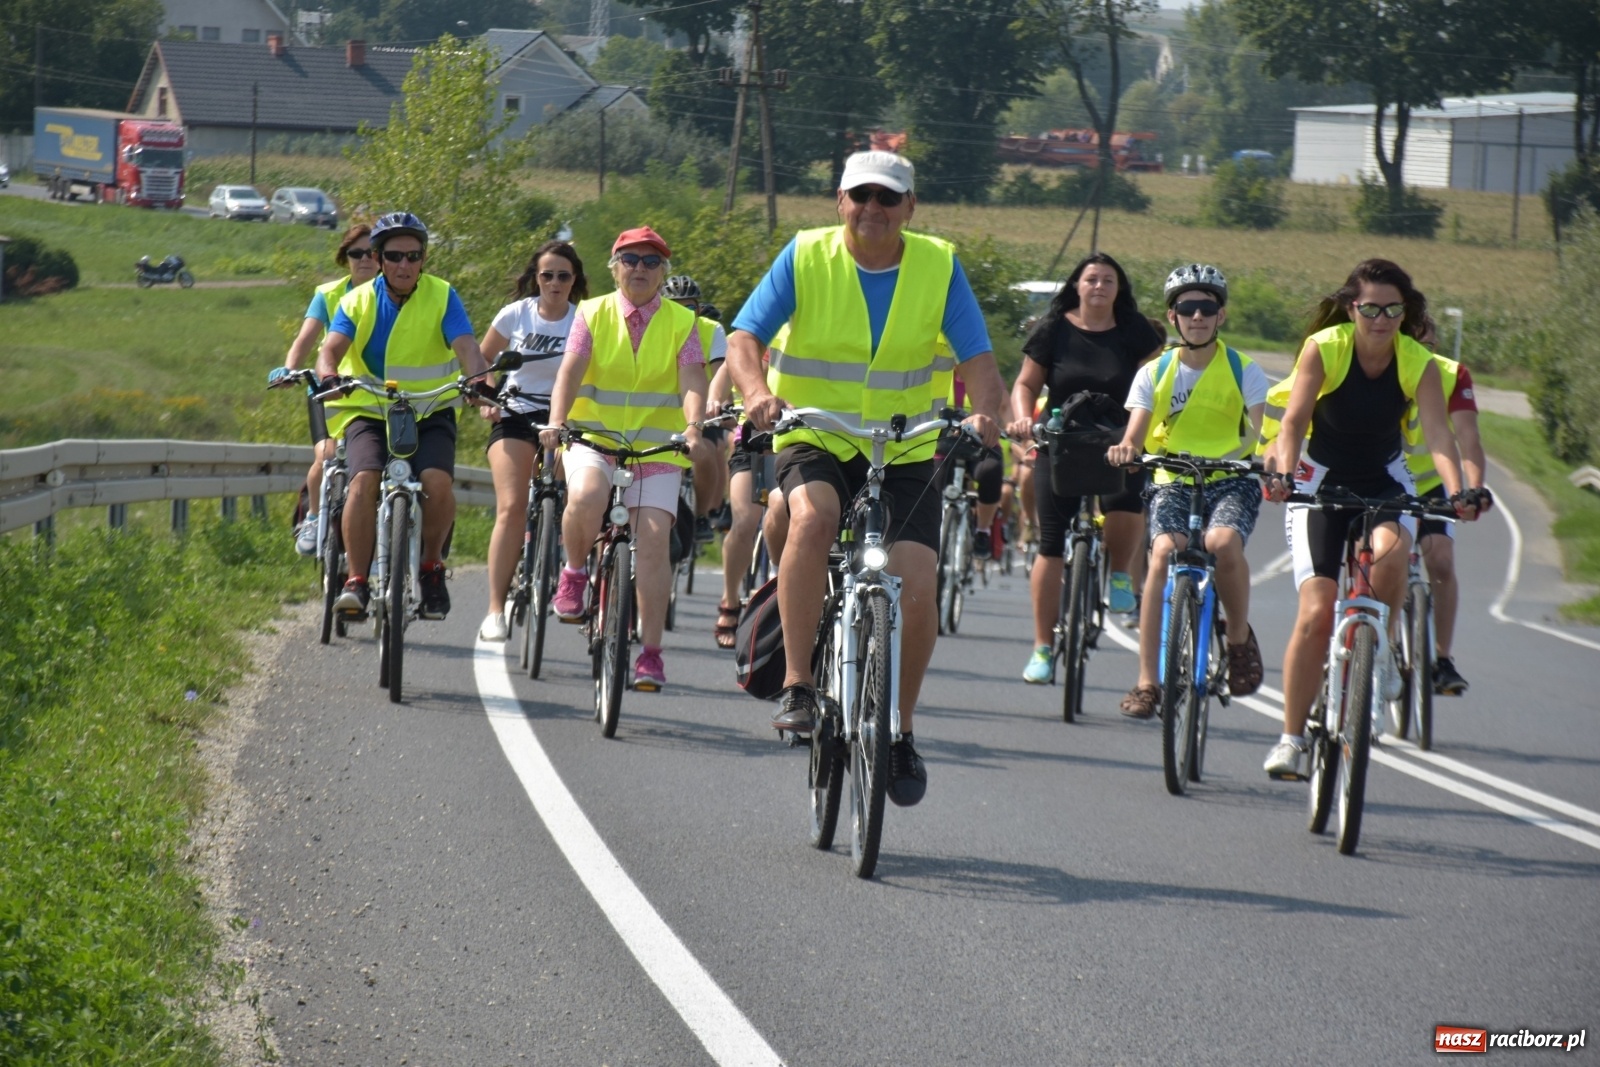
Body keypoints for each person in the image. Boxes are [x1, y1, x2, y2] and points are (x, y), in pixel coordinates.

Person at [728, 149, 1006, 807]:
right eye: (861, 196)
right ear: (840, 200)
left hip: (906, 447)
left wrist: (987, 414)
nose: (872, 210)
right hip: (815, 434)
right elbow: (744, 337)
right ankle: (799, 684)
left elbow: (982, 361)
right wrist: (757, 390)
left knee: (917, 580)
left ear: (910, 207)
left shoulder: (938, 265)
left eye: (888, 199)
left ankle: (900, 728)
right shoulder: (805, 255)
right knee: (815, 519)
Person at [1260, 259, 1476, 780]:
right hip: (1319, 480)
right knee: (1315, 613)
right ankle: (1291, 739)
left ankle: (1373, 657)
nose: (1381, 320)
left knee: (1393, 553)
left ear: (1406, 311)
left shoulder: (1417, 360)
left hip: (1384, 478)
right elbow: (1294, 421)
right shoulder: (1327, 347)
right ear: (1352, 308)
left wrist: (1461, 490)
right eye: (1371, 309)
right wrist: (1284, 474)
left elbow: (1440, 436)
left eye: (1392, 309)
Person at [541, 226, 709, 691]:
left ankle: (650, 654)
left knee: (654, 541)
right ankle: (574, 573)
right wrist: (557, 421)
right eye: (631, 259)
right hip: (594, 438)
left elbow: (693, 380)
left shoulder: (681, 322)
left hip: (655, 449)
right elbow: (570, 373)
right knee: (589, 494)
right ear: (615, 269)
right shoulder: (591, 314)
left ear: (663, 272)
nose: (640, 268)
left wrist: (693, 428)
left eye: (652, 262)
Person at [1106, 264, 1268, 718]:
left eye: (1207, 307)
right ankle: (1146, 682)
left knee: (1222, 542)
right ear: (1173, 316)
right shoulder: (1154, 372)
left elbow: (1264, 427)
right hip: (1172, 479)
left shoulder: (1245, 370)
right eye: (1187, 308)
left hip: (1231, 479)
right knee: (1163, 552)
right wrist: (1125, 449)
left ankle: (1237, 640)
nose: (1198, 316)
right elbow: (1135, 430)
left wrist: (1272, 457)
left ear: (1222, 315)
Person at [316, 211, 489, 621]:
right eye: (394, 256)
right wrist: (329, 376)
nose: (404, 265)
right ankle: (357, 580)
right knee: (363, 480)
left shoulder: (442, 295)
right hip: (368, 410)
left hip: (430, 409)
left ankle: (431, 568)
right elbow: (330, 349)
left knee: (437, 480)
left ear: (424, 259)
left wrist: (480, 384)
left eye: (414, 256)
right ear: (377, 258)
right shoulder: (355, 300)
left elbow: (468, 348)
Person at [1007, 253, 1164, 685]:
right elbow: (1025, 383)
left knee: (1124, 506)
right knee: (1052, 543)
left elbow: (1160, 382)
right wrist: (1023, 420)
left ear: (1119, 288)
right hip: (1061, 441)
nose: (1098, 286)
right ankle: (1042, 646)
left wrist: (1137, 437)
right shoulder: (1053, 328)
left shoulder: (1136, 331)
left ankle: (1117, 574)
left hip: (1119, 439)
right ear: (1076, 285)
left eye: (1108, 280)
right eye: (1091, 279)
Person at [476, 239, 589, 642]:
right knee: (510, 507)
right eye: (547, 275)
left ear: (574, 280)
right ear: (535, 278)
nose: (555, 283)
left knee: (575, 496)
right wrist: (486, 398)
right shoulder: (516, 314)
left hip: (568, 421)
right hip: (516, 415)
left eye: (563, 275)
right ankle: (494, 609)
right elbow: (481, 362)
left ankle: (567, 566)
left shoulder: (585, 320)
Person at [271, 223, 378, 555]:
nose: (364, 260)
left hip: (374, 393)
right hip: (331, 391)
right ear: (344, 258)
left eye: (371, 253)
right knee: (328, 454)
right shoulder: (328, 294)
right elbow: (305, 339)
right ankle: (314, 517)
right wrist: (289, 369)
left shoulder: (394, 295)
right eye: (355, 253)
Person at [1409, 314, 1492, 695]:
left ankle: (1442, 659)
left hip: (1428, 485)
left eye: (1427, 347)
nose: (1420, 355)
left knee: (1440, 559)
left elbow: (1468, 438)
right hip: (1375, 481)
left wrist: (1472, 489)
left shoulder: (1451, 374)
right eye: (1412, 346)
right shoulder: (1379, 368)